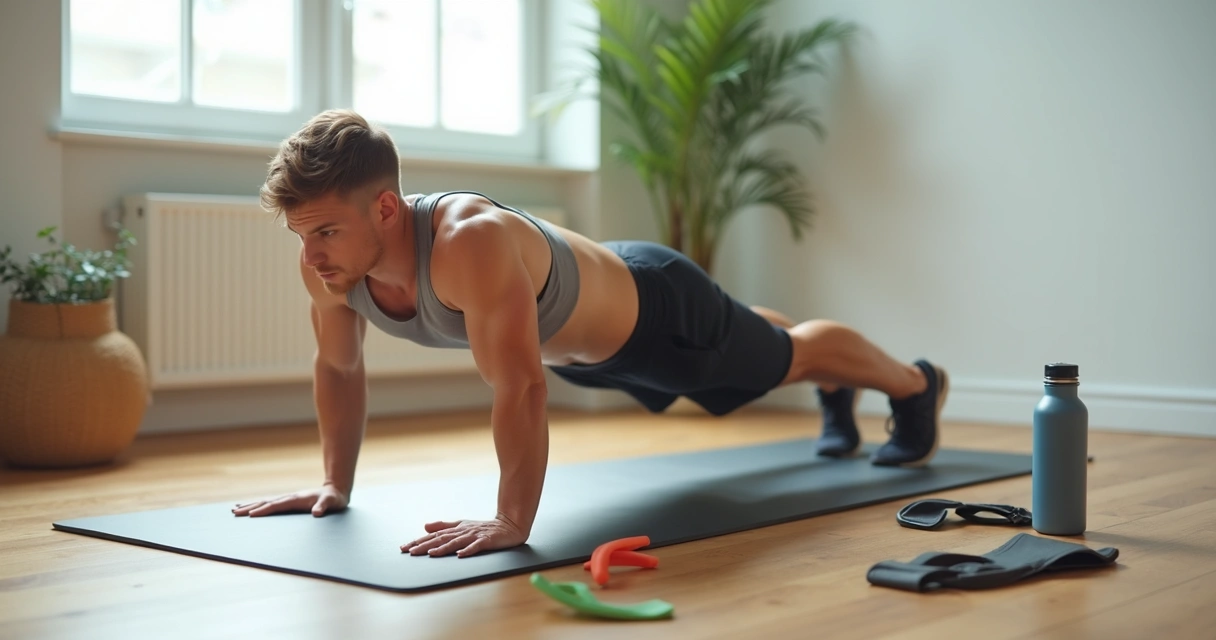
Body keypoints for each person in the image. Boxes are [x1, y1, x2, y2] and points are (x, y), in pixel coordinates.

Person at [232, 109, 949, 559]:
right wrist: (334, 483)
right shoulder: (329, 268)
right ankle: (813, 367)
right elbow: (340, 369)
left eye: (325, 230)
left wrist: (511, 520)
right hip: (587, 351)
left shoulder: (467, 242)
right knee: (760, 347)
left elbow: (517, 386)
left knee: (784, 360)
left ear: (386, 208)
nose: (312, 253)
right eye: (301, 234)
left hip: (660, 321)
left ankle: (916, 384)